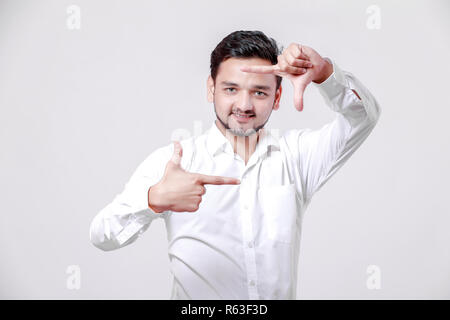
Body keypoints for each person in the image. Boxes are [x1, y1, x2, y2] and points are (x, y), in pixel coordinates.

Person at [89, 30, 381, 299]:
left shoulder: (296, 157)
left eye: (259, 92)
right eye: (231, 89)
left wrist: (325, 74)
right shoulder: (176, 162)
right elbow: (102, 234)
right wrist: (153, 199)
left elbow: (363, 118)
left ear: (277, 97)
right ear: (211, 89)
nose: (244, 105)